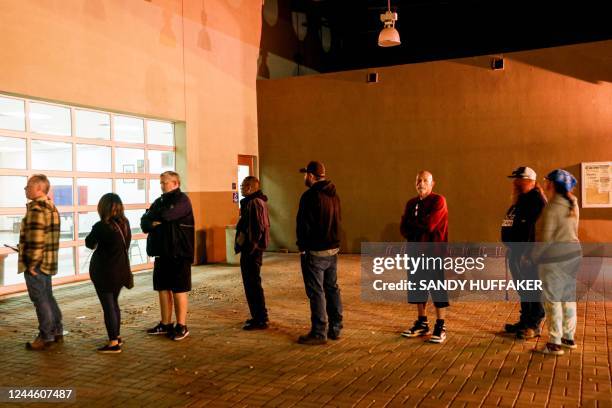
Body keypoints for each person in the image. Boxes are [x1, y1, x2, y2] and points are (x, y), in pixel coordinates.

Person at [532, 169, 581, 355]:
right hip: (573, 254)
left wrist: (534, 257)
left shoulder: (552, 208)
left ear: (552, 184)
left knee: (552, 300)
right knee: (568, 297)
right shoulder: (572, 204)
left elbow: (546, 239)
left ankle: (554, 342)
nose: (545, 183)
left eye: (547, 181)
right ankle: (569, 337)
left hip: (554, 259)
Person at [142, 171, 195, 341]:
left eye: (165, 182)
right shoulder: (160, 200)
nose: (162, 185)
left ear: (175, 183)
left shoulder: (182, 200)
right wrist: (151, 221)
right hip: (162, 253)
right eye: (161, 182)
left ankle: (182, 325)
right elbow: (144, 221)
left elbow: (166, 215)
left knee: (179, 290)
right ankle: (166, 324)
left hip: (179, 253)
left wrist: (154, 218)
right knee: (163, 289)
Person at [296, 161, 343, 345]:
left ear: (311, 176)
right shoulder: (334, 195)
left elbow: (303, 225)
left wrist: (302, 247)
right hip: (332, 250)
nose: (304, 177)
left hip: (315, 252)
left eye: (305, 174)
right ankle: (336, 327)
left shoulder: (309, 196)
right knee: (332, 288)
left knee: (316, 291)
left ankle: (318, 332)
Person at [399, 170, 449, 343]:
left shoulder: (438, 201)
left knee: (437, 289)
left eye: (425, 180)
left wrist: (413, 223)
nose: (421, 183)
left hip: (433, 253)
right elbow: (403, 229)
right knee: (417, 288)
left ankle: (440, 325)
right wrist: (416, 223)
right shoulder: (411, 203)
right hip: (414, 253)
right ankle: (422, 323)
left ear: (432, 183)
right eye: (418, 180)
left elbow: (430, 225)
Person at [501, 166, 547, 339]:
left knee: (533, 288)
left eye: (519, 179)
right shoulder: (520, 200)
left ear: (530, 181)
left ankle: (534, 325)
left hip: (528, 254)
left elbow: (536, 231)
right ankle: (524, 320)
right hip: (516, 252)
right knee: (523, 289)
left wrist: (529, 254)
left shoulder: (536, 201)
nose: (515, 182)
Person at [19, 174, 63, 351]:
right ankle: (57, 329)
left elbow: (37, 240)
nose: (25, 189)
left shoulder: (37, 209)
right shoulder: (51, 207)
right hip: (49, 261)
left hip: (37, 264)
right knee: (48, 296)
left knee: (40, 299)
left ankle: (46, 335)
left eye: (28, 186)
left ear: (38, 189)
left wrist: (31, 263)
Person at [86, 193, 133, 354]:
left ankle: (113, 343)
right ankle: (117, 336)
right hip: (121, 271)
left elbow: (89, 243)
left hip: (105, 273)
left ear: (102, 208)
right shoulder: (125, 224)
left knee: (109, 307)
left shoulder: (101, 226)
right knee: (114, 304)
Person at [235, 176, 271, 330]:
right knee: (252, 284)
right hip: (253, 250)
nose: (241, 188)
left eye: (243, 185)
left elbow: (257, 228)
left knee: (252, 284)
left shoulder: (254, 203)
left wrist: (250, 248)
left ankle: (260, 319)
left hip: (252, 251)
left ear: (250, 187)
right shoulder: (256, 202)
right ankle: (258, 316)